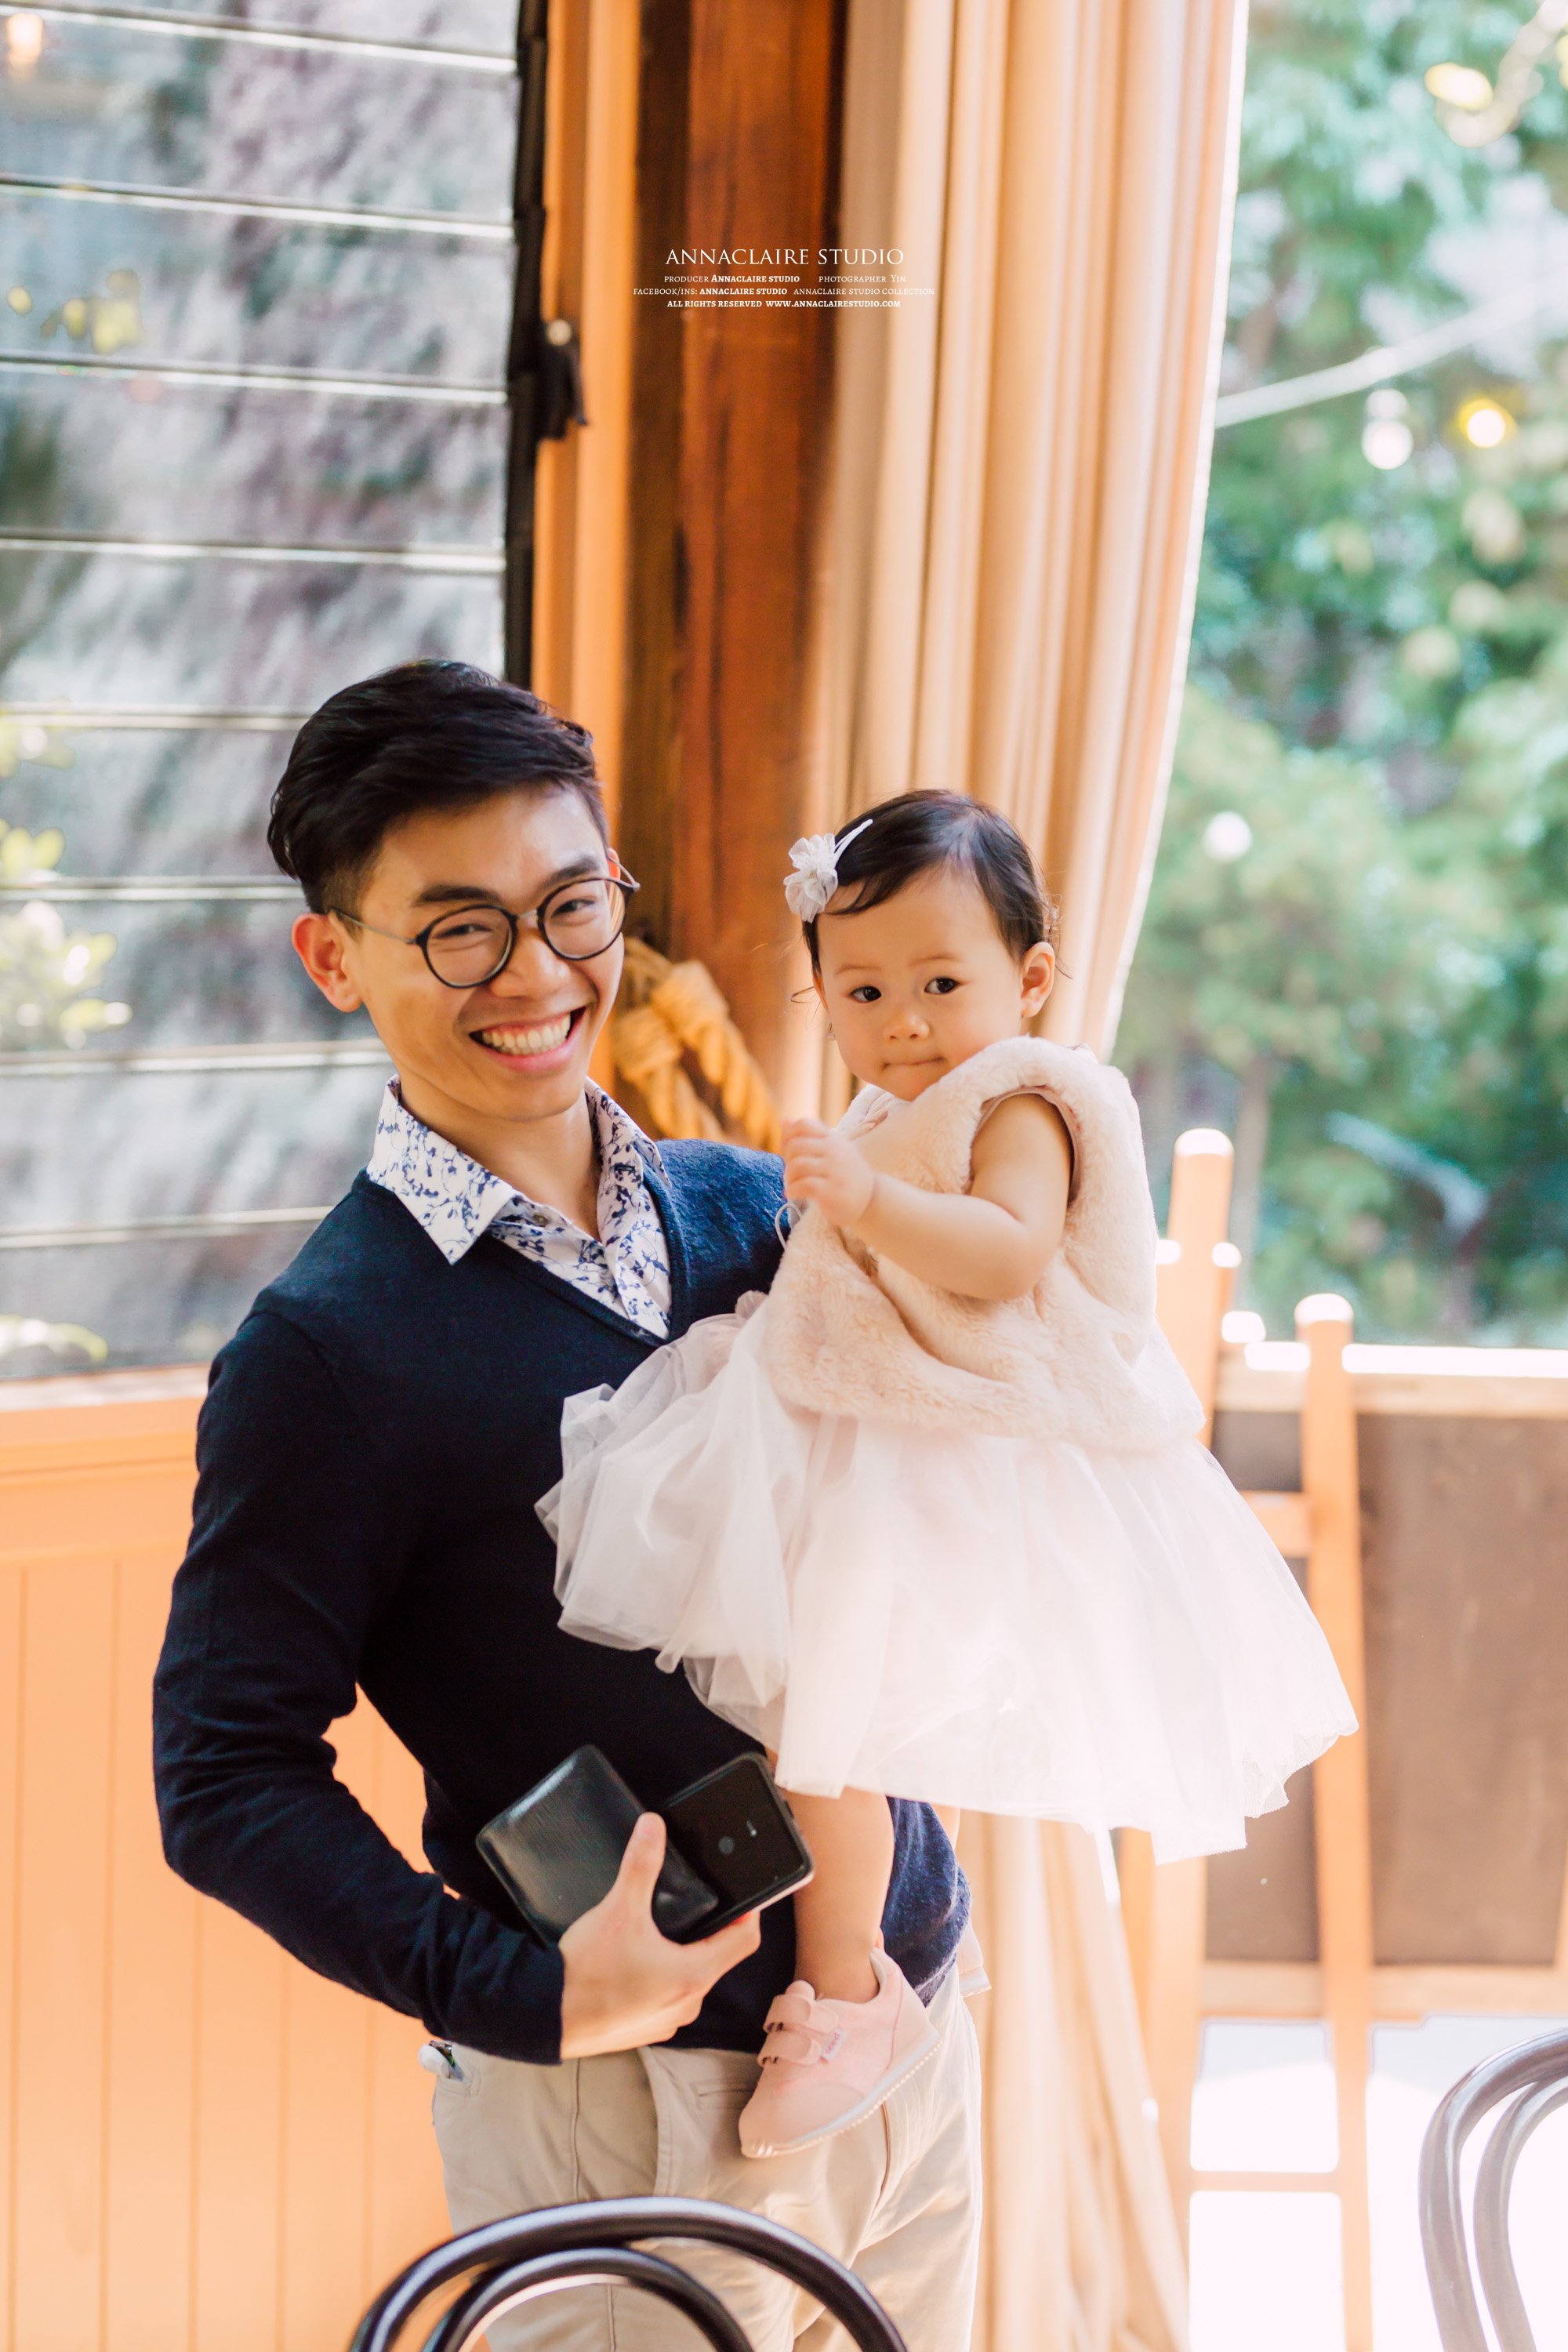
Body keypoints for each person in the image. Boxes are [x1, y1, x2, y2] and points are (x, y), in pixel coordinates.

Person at [152, 664, 979, 2352]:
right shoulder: (323, 1354)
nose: (536, 975)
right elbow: (223, 1776)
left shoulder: (760, 1215)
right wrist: (518, 1992)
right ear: (336, 958)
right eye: (459, 929)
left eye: (569, 905)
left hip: (907, 2028)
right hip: (630, 2114)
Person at [545, 790, 1357, 2160]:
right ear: (819, 991)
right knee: (819, 1739)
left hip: (950, 1458)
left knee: (834, 1743)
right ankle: (847, 1982)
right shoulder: (892, 1103)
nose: (905, 1018)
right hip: (862, 1432)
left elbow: (1006, 1251)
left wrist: (862, 1201)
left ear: (1031, 982)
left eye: (941, 981)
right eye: (864, 988)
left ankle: (851, 1992)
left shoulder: (1025, 1097)